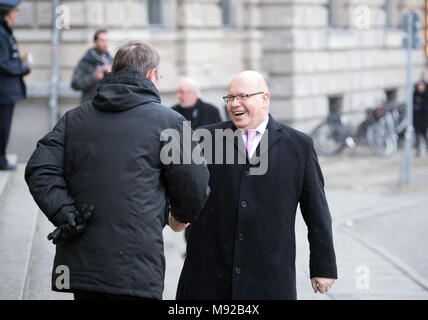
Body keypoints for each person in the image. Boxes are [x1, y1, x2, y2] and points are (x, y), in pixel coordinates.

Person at [25, 41, 210, 300]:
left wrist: (65, 211)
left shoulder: (74, 118)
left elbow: (39, 169)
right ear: (150, 75)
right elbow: (195, 184)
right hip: (138, 267)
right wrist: (179, 217)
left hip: (83, 265)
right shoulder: (170, 122)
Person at [176, 71, 337, 300]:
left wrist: (323, 266)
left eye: (242, 96)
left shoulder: (298, 146)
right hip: (210, 275)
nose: (234, 104)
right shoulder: (204, 139)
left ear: (265, 99)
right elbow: (183, 188)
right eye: (230, 98)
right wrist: (175, 214)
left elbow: (317, 210)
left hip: (268, 275)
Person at [172, 77, 222, 242]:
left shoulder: (211, 110)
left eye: (184, 92)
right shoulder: (172, 113)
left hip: (210, 167)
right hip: (184, 170)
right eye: (179, 92)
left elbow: (221, 139)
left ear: (194, 94)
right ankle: (191, 245)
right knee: (190, 209)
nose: (181, 96)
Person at [0, 0, 30, 170]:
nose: (16, 13)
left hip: (6, 89)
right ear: (7, 12)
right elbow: (2, 63)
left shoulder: (5, 31)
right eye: (15, 10)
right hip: (3, 91)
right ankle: (1, 159)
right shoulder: (1, 32)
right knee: (3, 126)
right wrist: (21, 69)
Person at [71, 29, 113, 104]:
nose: (105, 44)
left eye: (106, 41)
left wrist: (112, 75)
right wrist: (93, 77)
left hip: (107, 105)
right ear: (95, 42)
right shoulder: (86, 61)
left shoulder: (111, 61)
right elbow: (75, 83)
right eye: (102, 41)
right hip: (89, 106)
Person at [413, 81, 428, 156]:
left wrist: (420, 106)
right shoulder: (415, 94)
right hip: (416, 119)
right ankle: (418, 149)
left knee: (424, 134)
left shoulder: (425, 95)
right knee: (417, 134)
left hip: (424, 118)